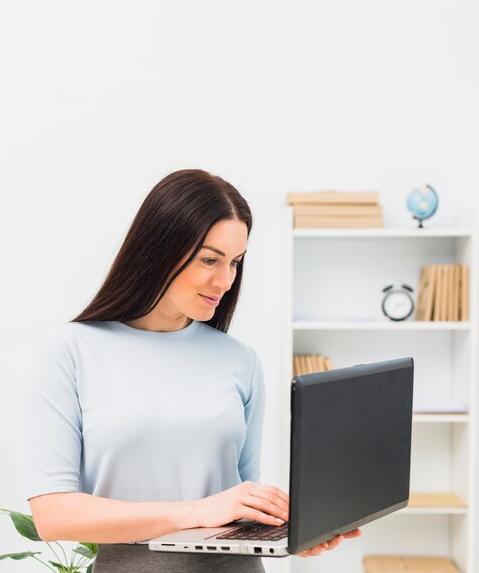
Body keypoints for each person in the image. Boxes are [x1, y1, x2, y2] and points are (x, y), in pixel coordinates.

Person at [25, 169, 361, 572]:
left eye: (236, 262)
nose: (226, 280)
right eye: (210, 259)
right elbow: (53, 515)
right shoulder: (70, 351)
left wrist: (290, 533)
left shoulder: (240, 360)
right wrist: (196, 512)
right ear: (161, 249)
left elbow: (240, 497)